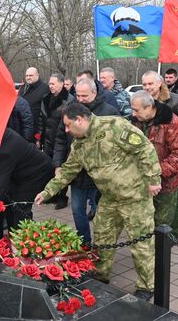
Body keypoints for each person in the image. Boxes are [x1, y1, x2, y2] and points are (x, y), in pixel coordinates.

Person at [35, 103, 161, 301]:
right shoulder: (78, 144)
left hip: (135, 198)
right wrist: (48, 191)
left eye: (68, 125)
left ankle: (147, 286)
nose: (66, 130)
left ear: (81, 120)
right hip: (109, 199)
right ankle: (100, 274)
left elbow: (145, 149)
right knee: (102, 237)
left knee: (142, 245)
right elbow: (69, 170)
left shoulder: (114, 125)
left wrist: (154, 179)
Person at [52, 77, 119, 245]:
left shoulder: (109, 111)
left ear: (94, 93)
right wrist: (58, 164)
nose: (80, 99)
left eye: (84, 96)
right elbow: (60, 139)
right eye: (77, 95)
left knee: (100, 211)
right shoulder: (69, 111)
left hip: (101, 175)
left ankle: (102, 244)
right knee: (77, 210)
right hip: (77, 173)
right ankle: (85, 242)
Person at [131, 91, 178, 238]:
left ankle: (164, 250)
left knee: (163, 222)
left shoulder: (171, 123)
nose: (133, 114)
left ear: (149, 107)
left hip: (167, 182)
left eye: (136, 110)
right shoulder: (135, 122)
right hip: (143, 182)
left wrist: (155, 172)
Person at [0, 126, 54, 231]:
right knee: (9, 201)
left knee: (20, 206)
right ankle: (13, 236)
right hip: (19, 172)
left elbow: (0, 182)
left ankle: (24, 240)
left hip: (36, 172)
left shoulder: (5, 151)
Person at [38, 74, 74, 209]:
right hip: (47, 140)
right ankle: (51, 193)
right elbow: (41, 118)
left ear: (61, 84)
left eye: (53, 84)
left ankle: (62, 197)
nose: (51, 86)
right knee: (49, 167)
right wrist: (39, 137)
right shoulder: (46, 99)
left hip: (62, 139)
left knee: (61, 168)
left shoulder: (69, 100)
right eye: (50, 84)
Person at [18, 67, 50, 142]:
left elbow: (45, 115)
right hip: (21, 128)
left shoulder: (45, 89)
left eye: (31, 75)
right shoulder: (23, 88)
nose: (28, 77)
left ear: (37, 75)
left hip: (35, 131)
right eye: (27, 76)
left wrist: (39, 135)